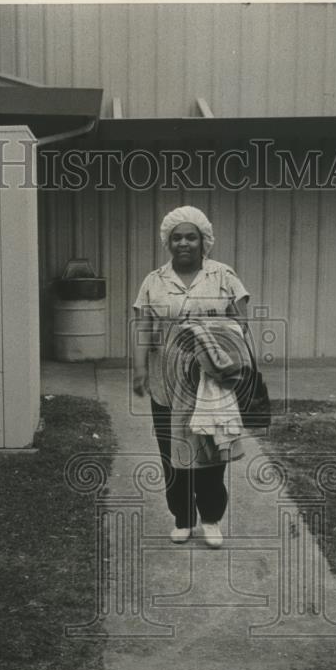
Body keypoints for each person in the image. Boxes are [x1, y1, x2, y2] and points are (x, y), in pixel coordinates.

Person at [132, 206, 251, 548]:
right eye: (177, 237)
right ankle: (182, 518)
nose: (183, 243)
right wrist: (140, 369)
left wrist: (233, 363)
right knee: (173, 452)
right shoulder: (154, 281)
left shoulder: (223, 277)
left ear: (204, 241)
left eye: (191, 236)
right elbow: (143, 328)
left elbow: (242, 327)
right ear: (167, 241)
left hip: (211, 382)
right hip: (166, 382)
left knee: (212, 449)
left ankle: (211, 519)